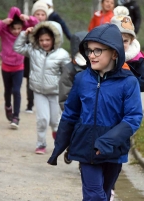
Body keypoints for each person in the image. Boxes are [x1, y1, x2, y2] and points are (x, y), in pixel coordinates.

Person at [47, 23, 143, 200]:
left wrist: (107, 142)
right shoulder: (82, 79)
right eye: (89, 50)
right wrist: (60, 145)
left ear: (114, 52)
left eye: (98, 51)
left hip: (114, 150)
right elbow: (71, 113)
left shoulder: (129, 82)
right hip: (86, 148)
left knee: (104, 194)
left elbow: (133, 118)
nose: (91, 55)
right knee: (95, 196)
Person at [13, 21, 70, 154]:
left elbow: (68, 75)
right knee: (42, 119)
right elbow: (17, 47)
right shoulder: (33, 50)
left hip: (55, 92)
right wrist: (24, 34)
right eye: (41, 40)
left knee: (55, 121)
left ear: (55, 38)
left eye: (48, 39)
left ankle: (58, 138)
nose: (44, 42)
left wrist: (67, 91)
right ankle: (41, 144)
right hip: (39, 91)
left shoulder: (62, 54)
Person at [0, 7, 39, 129]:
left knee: (16, 91)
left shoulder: (24, 32)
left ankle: (16, 117)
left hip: (19, 66)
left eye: (19, 28)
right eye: (14, 28)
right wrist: (3, 22)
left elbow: (37, 24)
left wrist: (28, 18)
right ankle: (8, 106)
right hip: (6, 66)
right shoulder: (4, 31)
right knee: (8, 91)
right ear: (9, 27)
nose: (16, 31)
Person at [58, 31, 88, 167]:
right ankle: (70, 149)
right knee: (75, 134)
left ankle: (84, 163)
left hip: (90, 109)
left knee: (88, 137)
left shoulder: (95, 66)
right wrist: (68, 109)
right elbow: (64, 91)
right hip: (75, 109)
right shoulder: (70, 69)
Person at [111, 6, 144, 92]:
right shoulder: (105, 54)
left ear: (131, 41)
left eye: (125, 41)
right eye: (117, 40)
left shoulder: (136, 58)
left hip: (129, 99)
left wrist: (128, 83)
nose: (121, 44)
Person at [24, 1, 48, 113]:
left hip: (44, 58)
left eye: (42, 14)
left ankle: (43, 102)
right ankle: (30, 103)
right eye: (37, 14)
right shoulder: (29, 28)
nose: (40, 17)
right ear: (33, 15)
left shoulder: (49, 28)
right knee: (30, 80)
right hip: (31, 58)